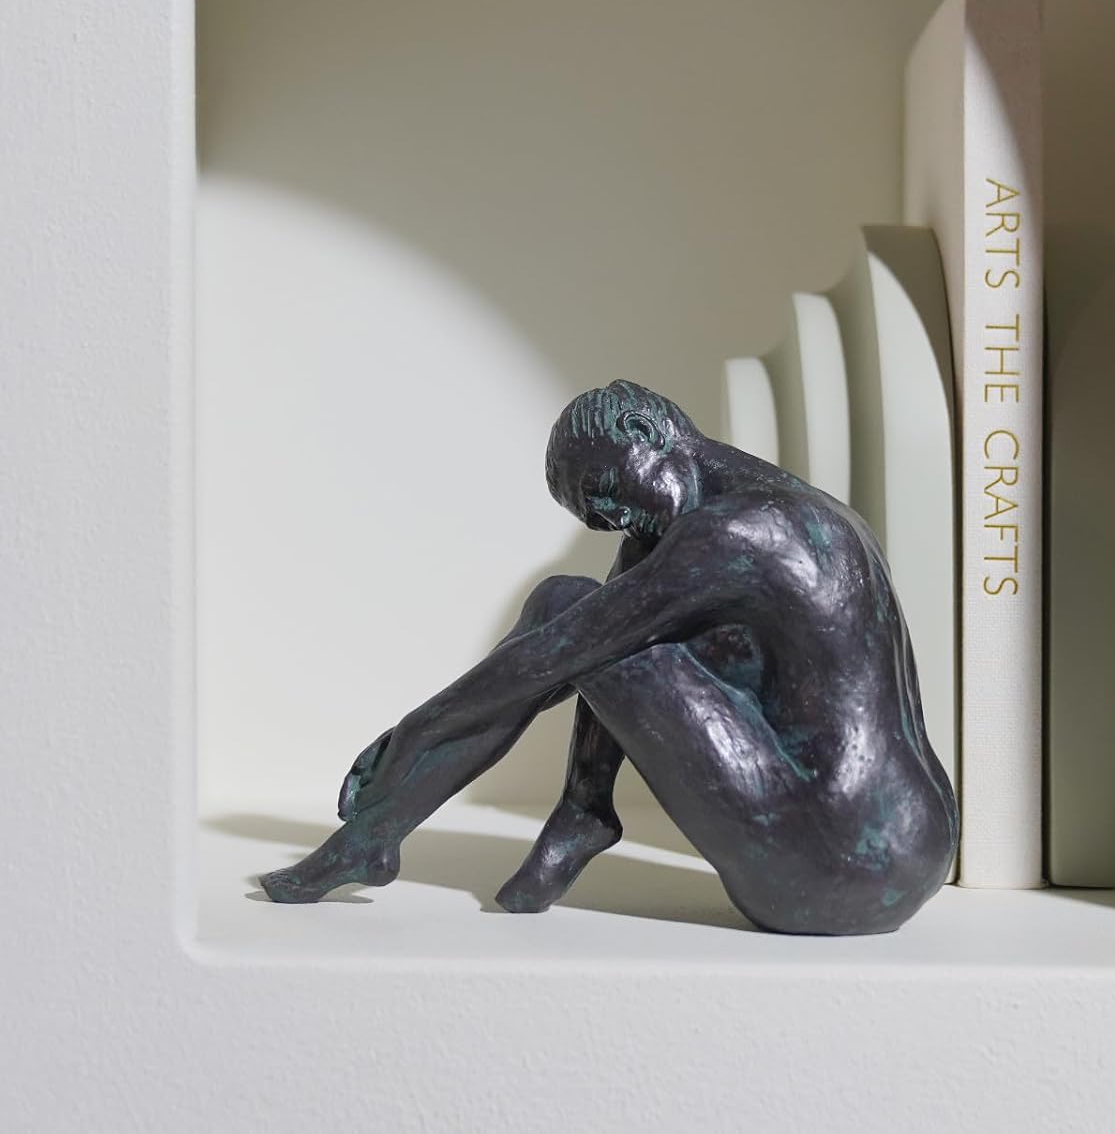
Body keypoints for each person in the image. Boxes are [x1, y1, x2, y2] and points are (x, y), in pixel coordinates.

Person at [261, 380, 958, 934]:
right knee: (607, 603)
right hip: (916, 838)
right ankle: (581, 809)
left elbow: (561, 650)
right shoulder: (804, 511)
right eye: (597, 518)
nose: (614, 520)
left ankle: (376, 835)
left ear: (644, 434)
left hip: (832, 859)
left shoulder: (736, 534)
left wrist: (413, 734)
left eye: (609, 494)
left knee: (566, 606)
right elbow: (613, 633)